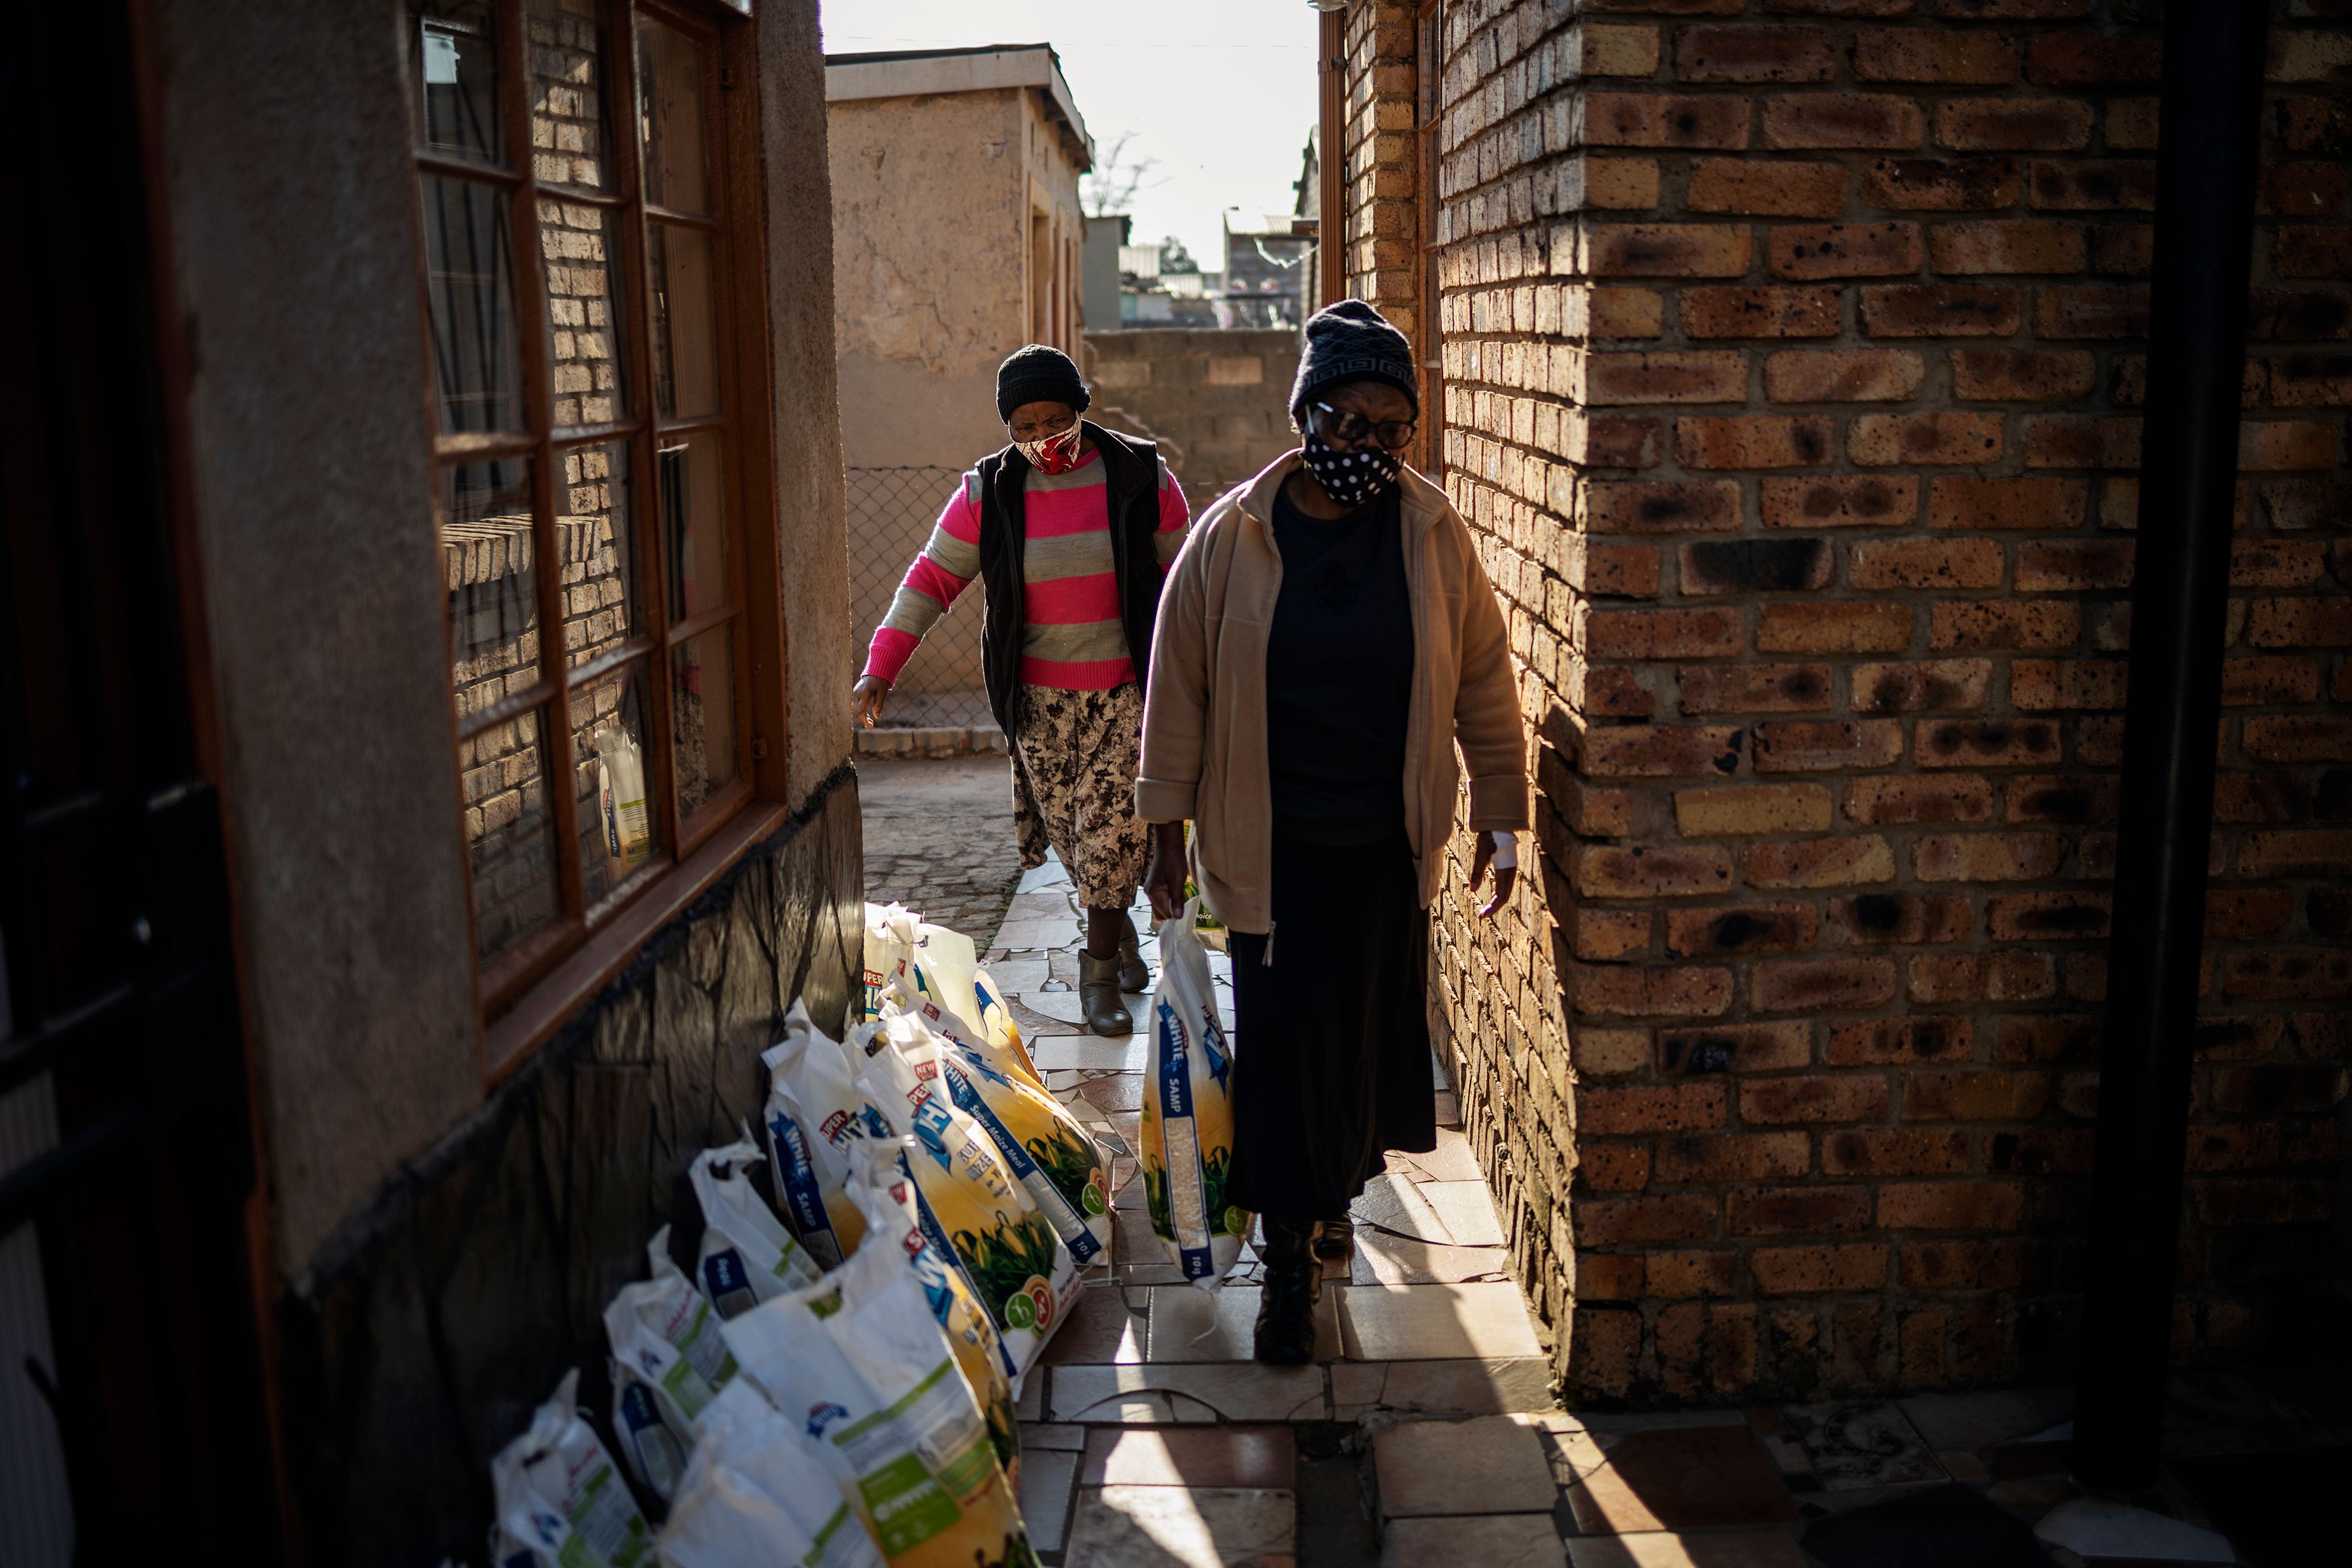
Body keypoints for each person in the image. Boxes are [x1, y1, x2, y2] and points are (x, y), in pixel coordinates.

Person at [1135, 299, 1527, 1364]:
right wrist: (1165, 831)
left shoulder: (1432, 533)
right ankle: (1285, 1262)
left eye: (1391, 428)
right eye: (1349, 421)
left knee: (1358, 1050)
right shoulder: (1234, 536)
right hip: (1271, 851)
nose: (1369, 446)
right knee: (1282, 1055)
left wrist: (1501, 812)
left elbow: (1482, 675)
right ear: (1306, 415)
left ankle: (1328, 1205)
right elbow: (1179, 686)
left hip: (1387, 848)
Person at [855, 344, 1189, 1036]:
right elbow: (932, 577)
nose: (1043, 437)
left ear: (1081, 410)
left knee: (1109, 834)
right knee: (1074, 839)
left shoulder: (1140, 475)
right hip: (1036, 703)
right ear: (1008, 427)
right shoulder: (990, 491)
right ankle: (1118, 931)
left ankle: (1098, 977)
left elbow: (1188, 575)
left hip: (1126, 692)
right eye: (1025, 426)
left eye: (1056, 419)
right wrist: (882, 663)